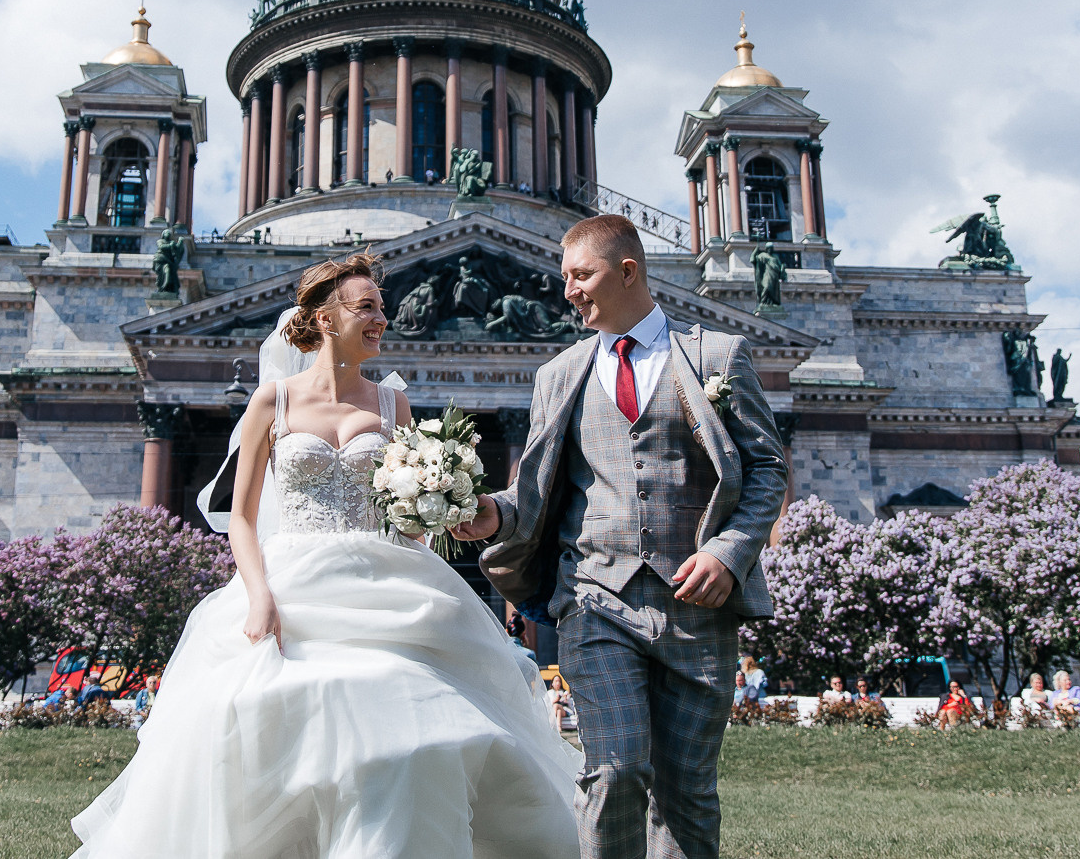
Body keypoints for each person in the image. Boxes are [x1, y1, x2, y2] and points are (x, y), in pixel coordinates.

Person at [71, 253, 581, 858]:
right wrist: (259, 594)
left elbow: (404, 513)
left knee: (416, 722)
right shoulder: (271, 401)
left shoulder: (394, 406)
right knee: (262, 717)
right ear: (324, 317)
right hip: (295, 581)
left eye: (383, 308)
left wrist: (441, 514)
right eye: (367, 307)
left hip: (385, 577)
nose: (382, 320)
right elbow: (241, 516)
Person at [456, 215, 789, 859]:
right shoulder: (558, 374)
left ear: (628, 271)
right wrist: (490, 515)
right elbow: (534, 487)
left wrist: (730, 551)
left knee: (686, 792)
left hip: (697, 605)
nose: (568, 292)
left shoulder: (719, 356)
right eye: (564, 278)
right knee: (613, 770)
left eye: (580, 276)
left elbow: (767, 467)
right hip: (593, 600)